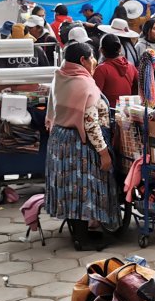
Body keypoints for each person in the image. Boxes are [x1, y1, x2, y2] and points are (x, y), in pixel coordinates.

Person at [45, 42, 121, 242]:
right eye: (92, 57)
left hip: (60, 140)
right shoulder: (85, 84)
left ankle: (77, 231)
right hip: (79, 144)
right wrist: (104, 153)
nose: (94, 61)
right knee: (82, 187)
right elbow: (90, 124)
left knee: (70, 187)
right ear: (83, 60)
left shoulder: (60, 76)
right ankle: (83, 237)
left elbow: (51, 107)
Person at [93, 34, 138, 106]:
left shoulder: (101, 69)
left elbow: (95, 96)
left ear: (101, 50)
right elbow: (140, 85)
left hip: (110, 112)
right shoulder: (130, 66)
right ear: (120, 49)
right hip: (128, 111)